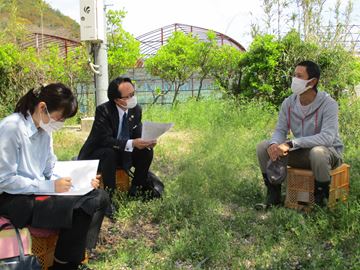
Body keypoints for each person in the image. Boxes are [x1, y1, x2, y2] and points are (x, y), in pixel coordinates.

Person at [0, 83, 110, 270]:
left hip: (37, 193)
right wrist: (50, 187)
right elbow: (5, 179)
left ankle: (68, 259)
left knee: (99, 197)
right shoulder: (12, 128)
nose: (60, 124)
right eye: (60, 118)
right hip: (13, 199)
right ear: (43, 107)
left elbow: (51, 168)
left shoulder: (45, 131)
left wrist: (82, 180)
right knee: (80, 208)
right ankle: (65, 264)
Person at [256, 60, 343, 208]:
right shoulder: (288, 103)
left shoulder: (329, 104)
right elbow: (280, 130)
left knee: (318, 152)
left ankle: (320, 201)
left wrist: (290, 144)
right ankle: (273, 195)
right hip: (302, 153)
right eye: (294, 75)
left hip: (328, 154)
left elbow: (327, 138)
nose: (294, 80)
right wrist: (274, 144)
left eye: (299, 76)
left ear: (312, 82)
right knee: (263, 147)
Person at [78, 77, 156, 217]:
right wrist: (132, 143)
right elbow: (104, 140)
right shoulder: (104, 111)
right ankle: (109, 197)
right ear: (117, 100)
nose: (133, 98)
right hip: (99, 154)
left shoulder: (136, 110)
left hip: (122, 152)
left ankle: (136, 190)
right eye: (129, 96)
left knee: (146, 151)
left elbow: (136, 132)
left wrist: (146, 141)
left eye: (133, 93)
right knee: (110, 152)